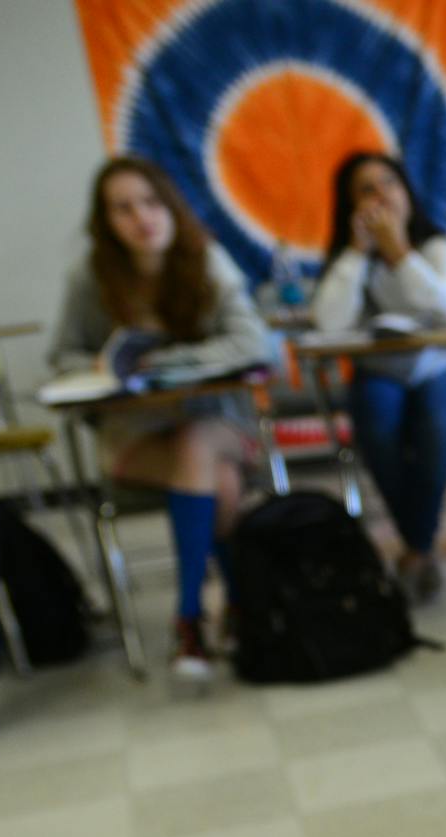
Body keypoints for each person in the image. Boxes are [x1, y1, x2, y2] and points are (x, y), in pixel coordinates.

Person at [47, 157, 272, 687]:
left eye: (149, 203)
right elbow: (62, 356)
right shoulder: (91, 276)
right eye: (122, 209)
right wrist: (107, 365)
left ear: (170, 206)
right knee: (214, 479)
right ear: (107, 223)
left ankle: (188, 616)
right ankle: (235, 607)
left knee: (199, 446)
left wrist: (171, 363)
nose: (140, 218)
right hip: (137, 433)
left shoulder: (206, 260)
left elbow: (252, 341)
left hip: (218, 422)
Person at [310, 151, 446, 603]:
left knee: (433, 421)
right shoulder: (352, 262)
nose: (381, 195)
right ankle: (421, 546)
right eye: (367, 189)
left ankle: (415, 548)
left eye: (390, 182)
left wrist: (399, 252)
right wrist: (357, 254)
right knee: (378, 423)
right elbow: (328, 324)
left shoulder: (439, 249)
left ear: (407, 191)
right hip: (382, 376)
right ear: (350, 206)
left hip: (444, 371)